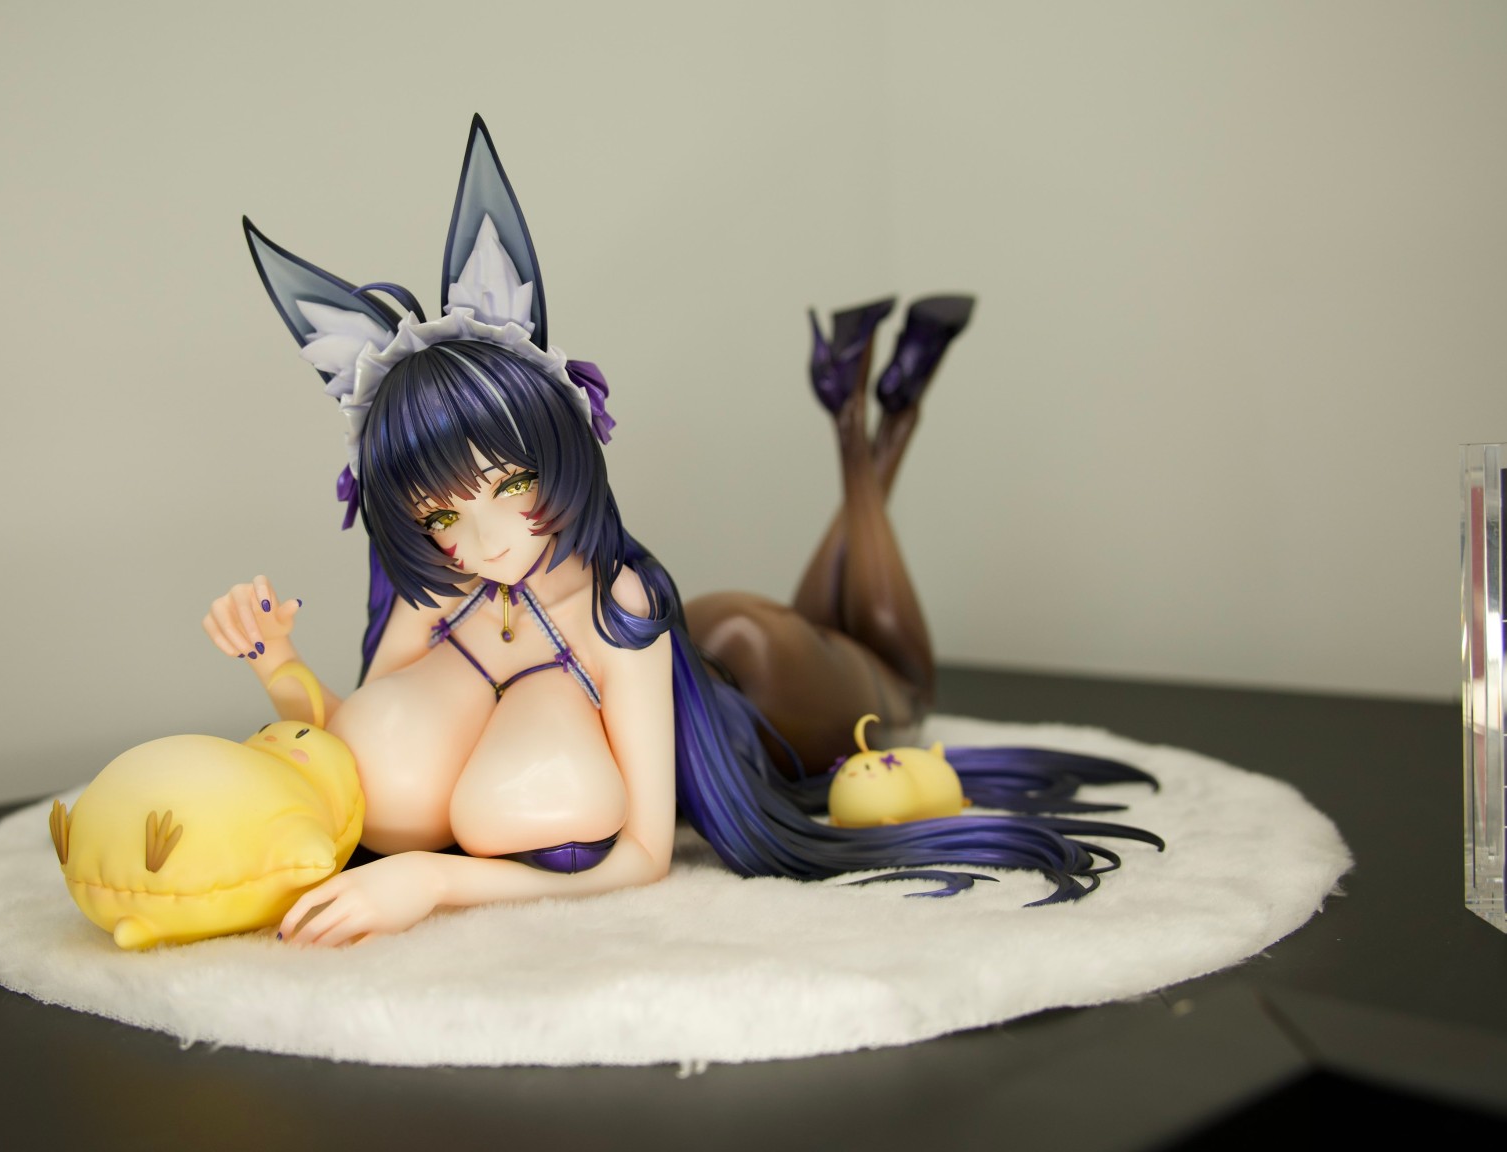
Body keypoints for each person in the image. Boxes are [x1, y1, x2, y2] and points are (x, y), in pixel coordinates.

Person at [206, 117, 1158, 947]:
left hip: (767, 680)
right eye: (443, 515)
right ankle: (872, 407)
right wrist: (276, 662)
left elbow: (644, 855)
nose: (487, 540)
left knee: (899, 681)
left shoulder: (619, 604)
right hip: (684, 659)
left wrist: (435, 881)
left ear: (563, 443)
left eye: (513, 485)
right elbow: (350, 743)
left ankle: (872, 420)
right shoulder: (439, 591)